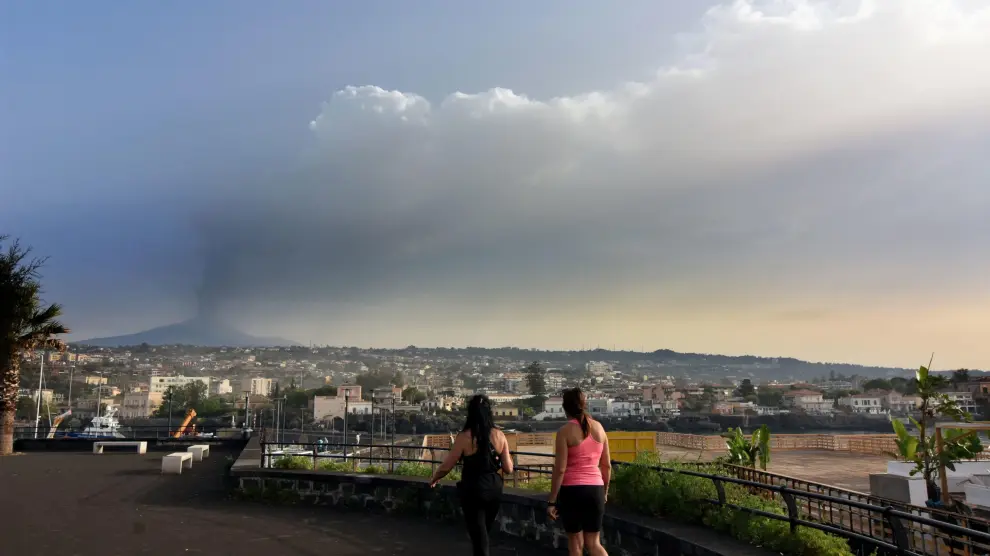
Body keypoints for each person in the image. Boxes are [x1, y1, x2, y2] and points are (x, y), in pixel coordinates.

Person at [429, 395, 514, 556]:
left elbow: (447, 465)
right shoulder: (499, 435)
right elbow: (508, 468)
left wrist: (435, 477)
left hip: (473, 489)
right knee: (483, 533)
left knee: (479, 537)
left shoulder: (464, 437)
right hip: (494, 488)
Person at [547, 387, 611, 556]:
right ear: (584, 404)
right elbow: (606, 465)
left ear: (565, 408)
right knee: (594, 543)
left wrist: (552, 501)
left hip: (572, 491)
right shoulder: (599, 428)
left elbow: (560, 469)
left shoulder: (564, 432)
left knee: (575, 544)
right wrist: (604, 491)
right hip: (595, 489)